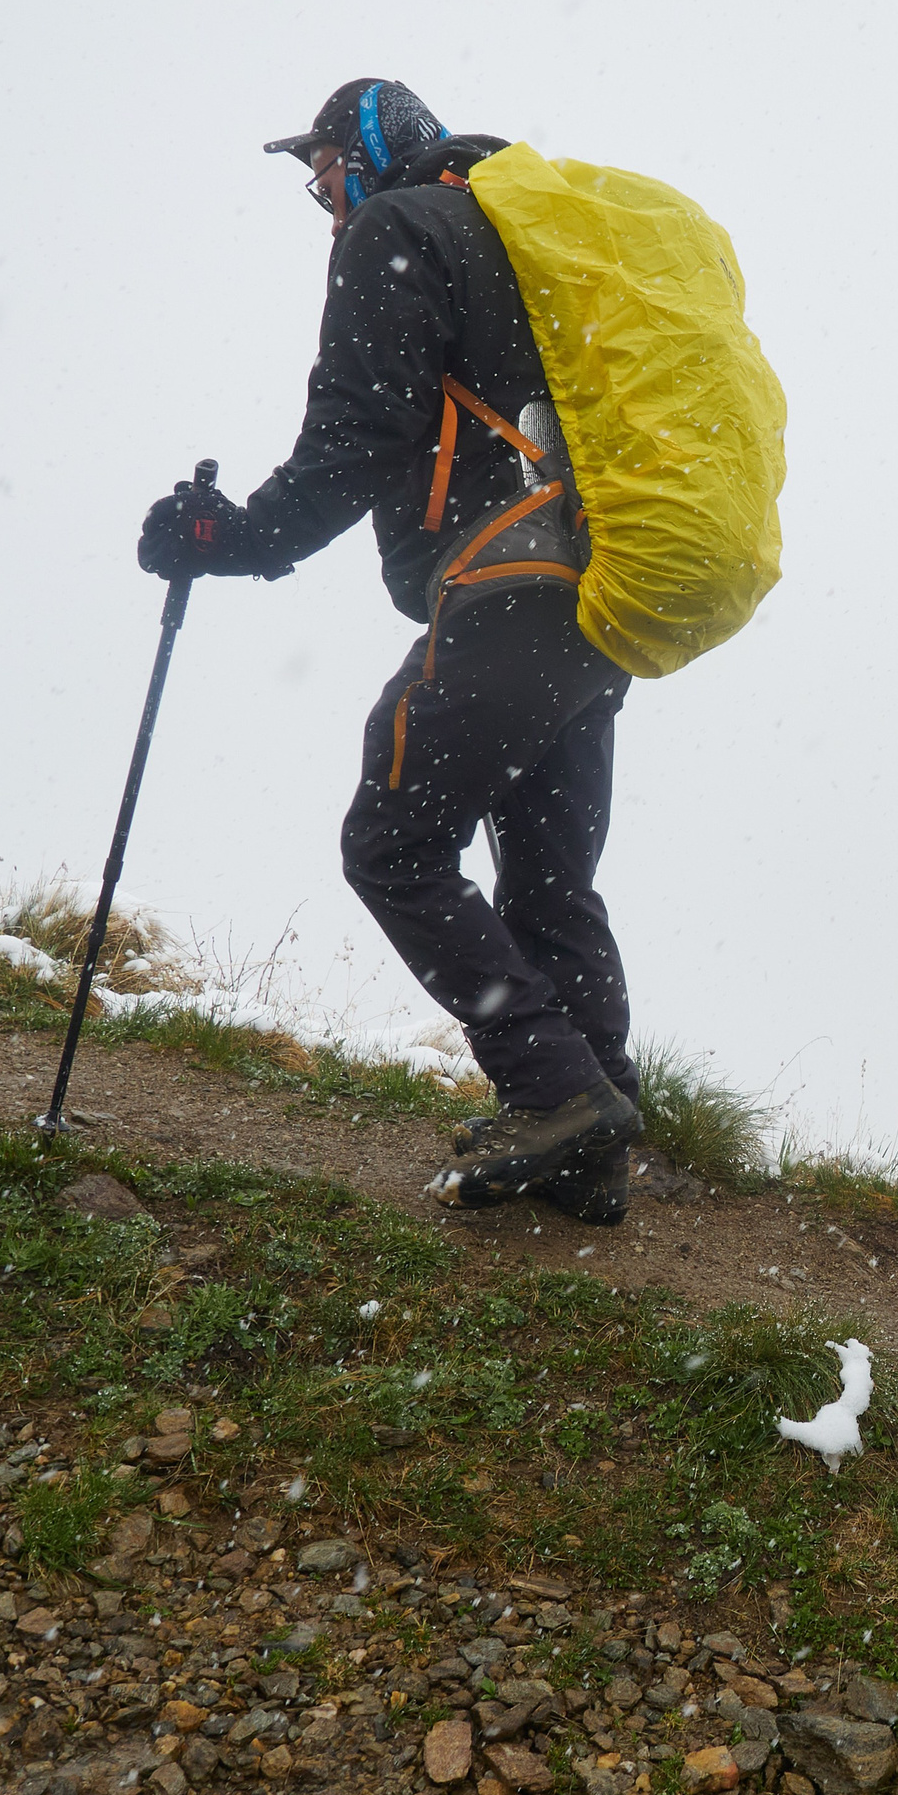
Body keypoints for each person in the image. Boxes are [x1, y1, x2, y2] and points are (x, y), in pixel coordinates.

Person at [135, 80, 641, 1221]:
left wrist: (236, 536)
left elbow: (362, 426)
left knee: (395, 842)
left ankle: (558, 1094)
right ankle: (599, 1124)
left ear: (368, 150)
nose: (318, 192)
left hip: (507, 584)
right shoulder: (526, 237)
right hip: (599, 600)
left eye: (322, 164)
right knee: (553, 882)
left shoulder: (396, 229)